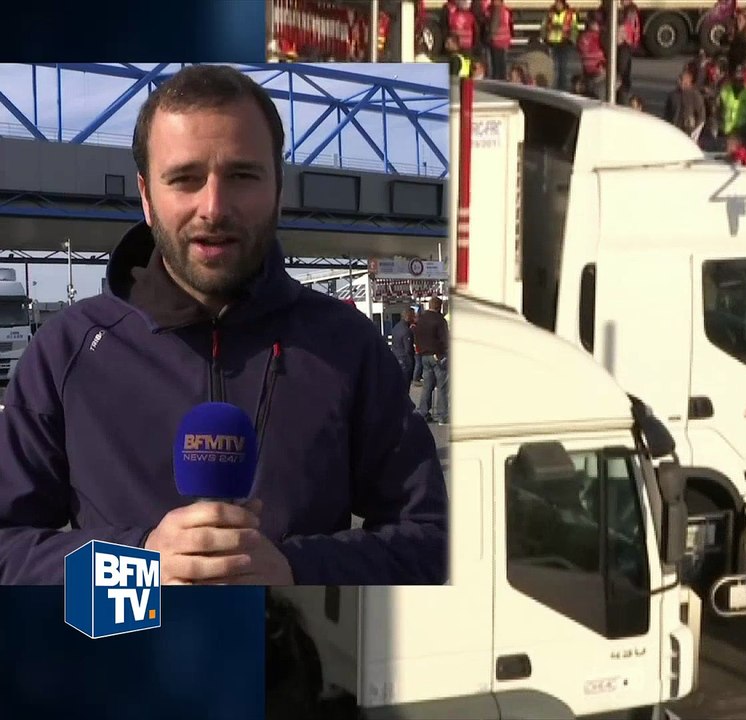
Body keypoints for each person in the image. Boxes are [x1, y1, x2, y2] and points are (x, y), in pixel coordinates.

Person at [0, 65, 447, 586]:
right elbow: (8, 547)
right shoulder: (66, 352)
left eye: (242, 176)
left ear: (279, 190)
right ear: (146, 197)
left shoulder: (348, 345)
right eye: (185, 178)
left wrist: (297, 572)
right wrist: (133, 566)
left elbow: (433, 540)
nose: (213, 208)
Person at [414, 297, 450, 424]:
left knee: (427, 386)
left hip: (424, 356)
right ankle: (443, 415)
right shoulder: (440, 320)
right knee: (442, 386)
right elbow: (445, 339)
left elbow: (416, 336)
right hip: (438, 356)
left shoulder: (420, 319)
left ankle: (423, 412)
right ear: (438, 307)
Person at [391, 308, 417, 393]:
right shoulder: (407, 331)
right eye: (413, 316)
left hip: (396, 357)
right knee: (405, 386)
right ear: (409, 317)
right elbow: (408, 349)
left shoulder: (396, 327)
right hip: (405, 360)